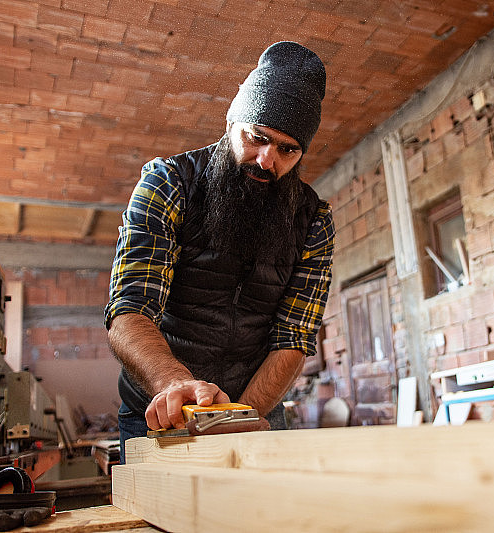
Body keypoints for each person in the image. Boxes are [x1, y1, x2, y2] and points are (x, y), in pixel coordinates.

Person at [105, 42, 334, 462]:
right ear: (232, 119)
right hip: (160, 409)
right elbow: (129, 311)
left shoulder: (313, 220)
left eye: (287, 150)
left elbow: (294, 336)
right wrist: (175, 385)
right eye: (258, 137)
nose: (267, 161)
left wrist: (238, 417)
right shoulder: (168, 183)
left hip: (255, 408)